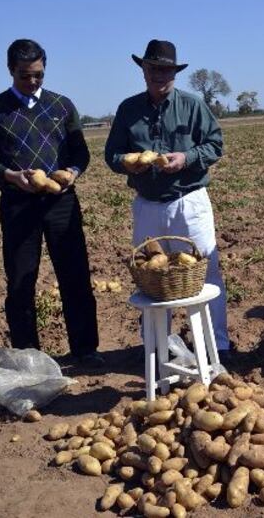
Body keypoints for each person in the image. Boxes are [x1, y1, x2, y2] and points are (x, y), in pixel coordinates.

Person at [0, 39, 101, 366]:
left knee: (74, 275)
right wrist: (10, 175)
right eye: (25, 75)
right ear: (10, 70)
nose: (32, 81)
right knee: (21, 279)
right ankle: (27, 355)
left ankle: (85, 350)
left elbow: (81, 153)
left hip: (61, 203)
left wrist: (72, 172)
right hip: (18, 205)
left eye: (38, 75)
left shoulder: (61, 106)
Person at [104, 39, 231, 362]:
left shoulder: (192, 105)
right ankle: (156, 349)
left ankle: (216, 347)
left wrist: (186, 158)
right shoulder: (128, 109)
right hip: (147, 204)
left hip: (188, 201)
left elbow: (215, 145)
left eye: (166, 70)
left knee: (204, 274)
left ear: (174, 73)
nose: (159, 75)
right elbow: (112, 154)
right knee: (150, 278)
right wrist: (127, 163)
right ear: (143, 70)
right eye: (153, 69)